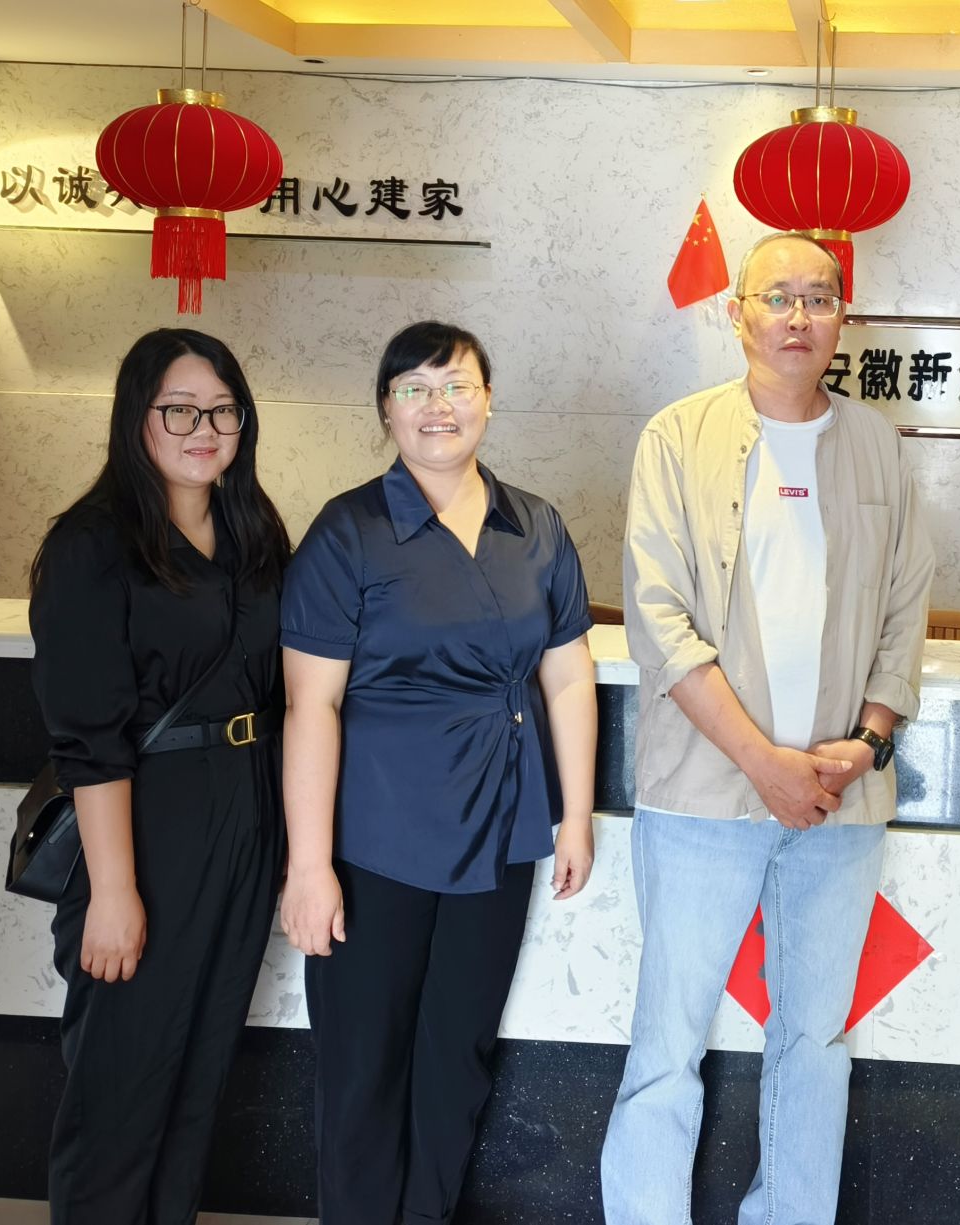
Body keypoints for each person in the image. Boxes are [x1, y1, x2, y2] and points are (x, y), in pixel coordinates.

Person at [601, 231, 935, 1225]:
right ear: (734, 312)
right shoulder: (677, 436)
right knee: (667, 1042)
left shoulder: (878, 445)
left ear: (842, 317)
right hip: (703, 795)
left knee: (814, 1041)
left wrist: (866, 741)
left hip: (840, 800)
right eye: (776, 296)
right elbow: (658, 622)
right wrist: (763, 764)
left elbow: (904, 612)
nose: (798, 315)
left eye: (818, 297)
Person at [279, 320, 598, 1225]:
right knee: (364, 1063)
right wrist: (309, 866)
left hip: (501, 830)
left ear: (488, 400)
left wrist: (574, 816)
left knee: (457, 1058)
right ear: (385, 409)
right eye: (414, 389)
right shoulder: (348, 531)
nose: (438, 406)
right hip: (375, 838)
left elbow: (568, 675)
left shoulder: (534, 525)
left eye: (456, 385)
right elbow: (311, 706)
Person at [28, 328, 291, 1224]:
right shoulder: (93, 545)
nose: (203, 429)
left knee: (195, 1082)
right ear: (135, 417)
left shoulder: (255, 531)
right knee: (121, 1091)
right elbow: (90, 738)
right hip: (146, 828)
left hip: (245, 817)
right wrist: (114, 891)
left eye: (222, 410)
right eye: (179, 409)